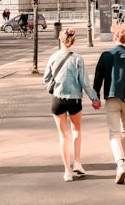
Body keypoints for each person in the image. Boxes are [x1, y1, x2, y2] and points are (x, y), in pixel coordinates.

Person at [43, 28, 100, 182]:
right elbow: (85, 83)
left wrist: (55, 89)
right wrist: (94, 99)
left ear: (60, 40)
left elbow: (46, 78)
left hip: (58, 100)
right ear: (72, 41)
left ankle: (67, 171)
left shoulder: (53, 57)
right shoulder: (78, 59)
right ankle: (78, 163)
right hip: (74, 100)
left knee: (63, 135)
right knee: (77, 131)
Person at [93, 23, 125, 185]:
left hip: (112, 98)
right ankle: (124, 157)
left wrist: (96, 97)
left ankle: (120, 163)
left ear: (115, 37)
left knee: (113, 133)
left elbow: (98, 78)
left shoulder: (106, 55)